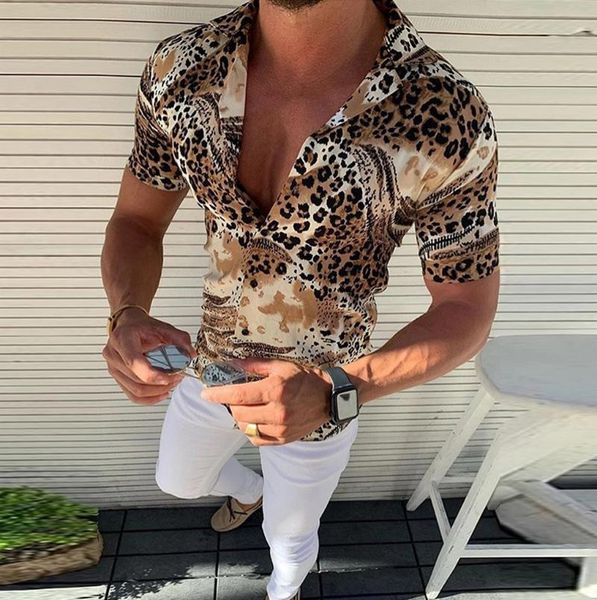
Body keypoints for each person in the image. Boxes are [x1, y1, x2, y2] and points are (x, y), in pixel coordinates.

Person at [100, 0, 501, 598]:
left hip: (325, 399)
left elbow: (467, 310)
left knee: (289, 542)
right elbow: (136, 221)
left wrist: (340, 390)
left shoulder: (445, 112)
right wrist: (127, 310)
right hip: (209, 367)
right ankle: (249, 491)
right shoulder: (179, 69)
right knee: (177, 481)